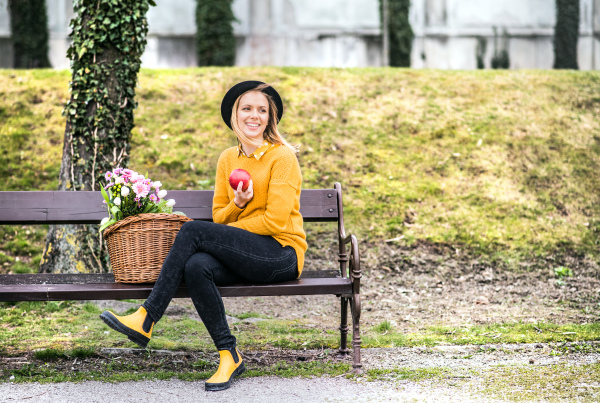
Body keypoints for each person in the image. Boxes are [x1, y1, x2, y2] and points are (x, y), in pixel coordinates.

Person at [100, 81, 307, 391]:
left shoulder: (282, 157)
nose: (255, 115)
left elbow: (276, 221)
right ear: (234, 115)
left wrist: (219, 234)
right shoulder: (228, 159)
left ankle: (147, 316)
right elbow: (220, 214)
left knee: (195, 230)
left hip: (280, 254)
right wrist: (238, 204)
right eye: (247, 108)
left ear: (270, 118)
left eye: (262, 110)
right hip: (246, 253)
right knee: (197, 265)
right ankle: (229, 354)